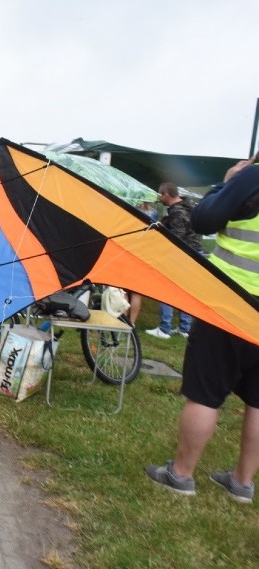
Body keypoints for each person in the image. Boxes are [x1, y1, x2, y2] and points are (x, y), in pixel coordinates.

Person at [145, 154, 259, 504]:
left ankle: (181, 474)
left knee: (205, 392)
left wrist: (227, 182)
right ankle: (242, 482)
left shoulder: (251, 177)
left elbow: (204, 219)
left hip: (233, 301)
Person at [145, 182, 204, 339]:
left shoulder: (177, 212)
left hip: (182, 255)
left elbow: (177, 237)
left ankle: (164, 329)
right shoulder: (188, 208)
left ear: (166, 194)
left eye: (160, 194)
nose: (159, 197)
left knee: (167, 289)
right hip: (195, 253)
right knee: (186, 292)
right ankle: (184, 328)